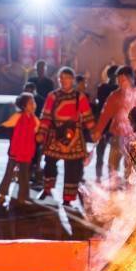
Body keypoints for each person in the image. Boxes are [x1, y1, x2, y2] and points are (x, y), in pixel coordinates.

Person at [37, 66, 95, 206]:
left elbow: (87, 117)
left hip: (74, 135)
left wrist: (95, 131)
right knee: (49, 164)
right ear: (58, 80)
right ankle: (47, 189)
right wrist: (41, 132)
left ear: (72, 80)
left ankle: (67, 199)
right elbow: (46, 116)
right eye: (61, 78)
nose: (64, 81)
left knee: (73, 168)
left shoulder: (79, 97)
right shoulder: (52, 96)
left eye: (67, 78)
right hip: (54, 133)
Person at [92, 66, 136, 186]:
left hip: (135, 139)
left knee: (131, 167)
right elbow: (105, 114)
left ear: (131, 79)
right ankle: (113, 188)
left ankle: (128, 189)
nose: (121, 82)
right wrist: (98, 131)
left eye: (124, 79)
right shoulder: (115, 96)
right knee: (112, 165)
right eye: (119, 79)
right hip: (117, 136)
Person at [0, 92, 39, 206]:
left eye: (33, 102)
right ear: (24, 106)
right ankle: (2, 195)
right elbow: (5, 125)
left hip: (27, 152)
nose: (33, 104)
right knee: (9, 173)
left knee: (24, 175)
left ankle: (23, 197)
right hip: (16, 150)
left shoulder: (34, 119)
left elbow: (40, 132)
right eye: (31, 103)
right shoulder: (18, 116)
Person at [93, 64, 119, 180]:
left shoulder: (102, 87)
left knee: (104, 151)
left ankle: (102, 176)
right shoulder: (114, 90)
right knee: (105, 150)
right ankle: (105, 176)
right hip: (108, 122)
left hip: (107, 122)